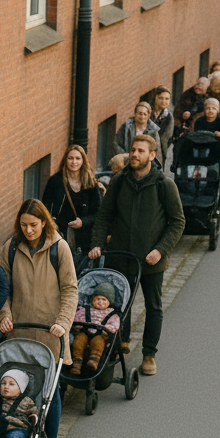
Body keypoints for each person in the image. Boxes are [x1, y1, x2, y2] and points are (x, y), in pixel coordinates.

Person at [89, 135, 185, 377]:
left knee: (153, 306)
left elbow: (177, 222)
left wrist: (160, 250)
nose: (134, 154)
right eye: (133, 150)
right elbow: (104, 216)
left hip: (151, 260)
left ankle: (149, 354)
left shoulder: (164, 184)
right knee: (119, 303)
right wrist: (97, 244)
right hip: (120, 256)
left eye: (141, 151)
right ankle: (121, 344)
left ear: (152, 155)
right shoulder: (119, 181)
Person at [0, 199, 78, 438]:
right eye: (23, 225)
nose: (28, 230)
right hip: (18, 333)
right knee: (18, 389)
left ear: (44, 222)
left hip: (50, 333)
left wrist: (63, 323)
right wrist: (5, 314)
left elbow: (70, 290)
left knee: (49, 392)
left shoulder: (60, 248)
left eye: (33, 225)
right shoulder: (10, 248)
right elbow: (3, 290)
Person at [42, 144, 104, 272]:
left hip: (85, 237)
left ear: (83, 161)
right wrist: (53, 223)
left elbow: (98, 213)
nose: (74, 162)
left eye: (77, 158)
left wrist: (83, 222)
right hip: (62, 235)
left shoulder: (90, 182)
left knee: (81, 271)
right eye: (70, 158)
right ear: (65, 159)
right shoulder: (55, 181)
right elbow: (45, 207)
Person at [69, 283, 121, 375]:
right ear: (92, 300)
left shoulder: (112, 314)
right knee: (78, 341)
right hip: (83, 332)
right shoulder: (84, 310)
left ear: (109, 302)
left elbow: (115, 325)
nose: (100, 302)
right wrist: (77, 326)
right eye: (97, 299)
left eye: (104, 300)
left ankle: (94, 361)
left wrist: (107, 329)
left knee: (99, 343)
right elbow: (76, 319)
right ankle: (77, 362)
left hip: (100, 335)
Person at [113, 101, 166, 167]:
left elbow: (157, 150)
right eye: (140, 113)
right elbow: (117, 143)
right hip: (128, 163)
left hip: (145, 164)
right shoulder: (127, 126)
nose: (142, 116)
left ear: (148, 115)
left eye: (145, 114)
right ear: (135, 114)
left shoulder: (153, 130)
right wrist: (126, 157)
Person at [151, 86, 175, 165]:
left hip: (160, 153)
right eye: (160, 98)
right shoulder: (147, 113)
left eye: (166, 99)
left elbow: (167, 138)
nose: (164, 101)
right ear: (155, 98)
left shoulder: (168, 117)